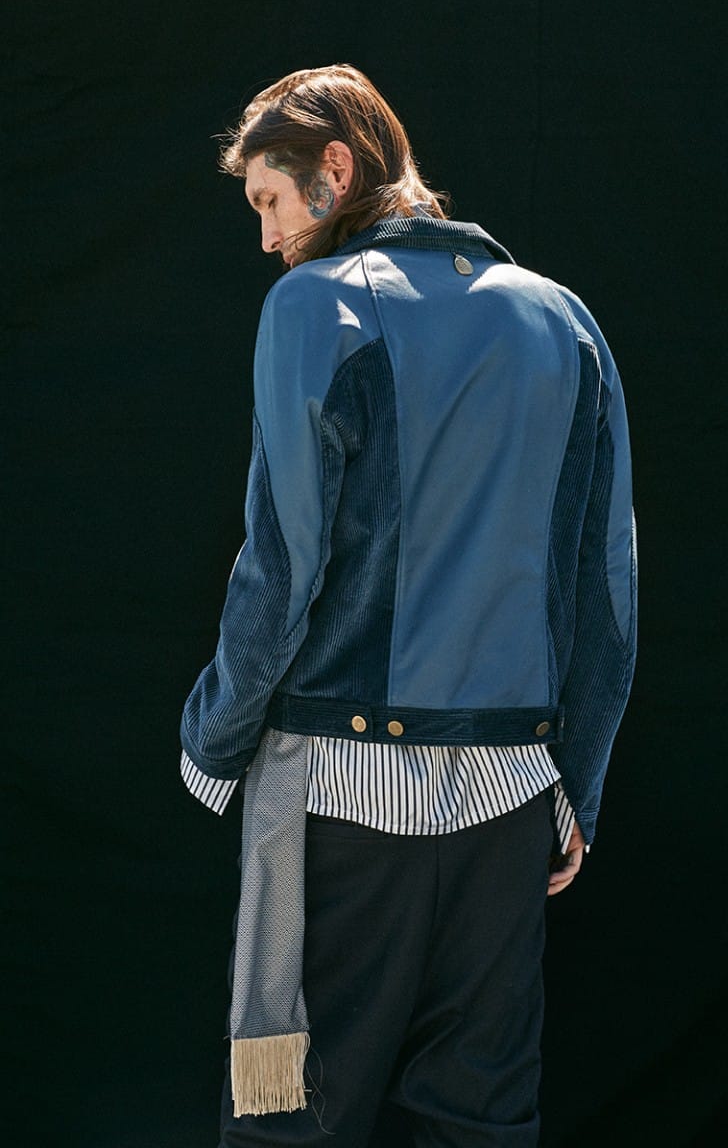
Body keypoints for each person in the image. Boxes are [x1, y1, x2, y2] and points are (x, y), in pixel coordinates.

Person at [180, 64, 637, 1148]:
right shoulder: (565, 321)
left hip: (339, 793)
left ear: (335, 171)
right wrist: (576, 785)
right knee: (481, 1122)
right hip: (512, 800)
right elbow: (605, 588)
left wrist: (214, 735)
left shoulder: (314, 307)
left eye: (271, 202)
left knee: (296, 1117)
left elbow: (282, 566)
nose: (268, 239)